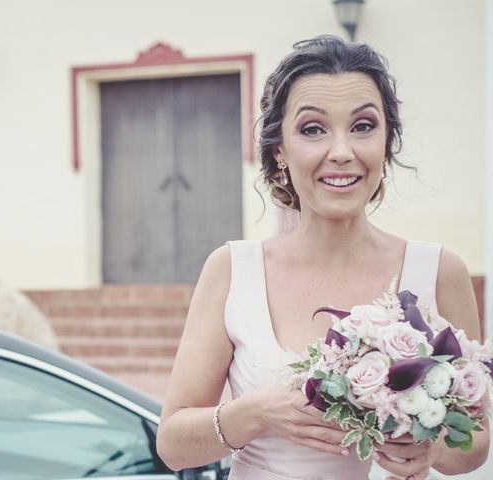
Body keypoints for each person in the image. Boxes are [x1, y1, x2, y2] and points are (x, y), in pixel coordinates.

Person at [156, 35, 489, 480]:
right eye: (313, 129)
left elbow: (475, 444)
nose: (341, 152)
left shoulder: (440, 272)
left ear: (387, 142)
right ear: (280, 150)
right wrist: (255, 413)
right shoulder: (233, 270)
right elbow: (173, 446)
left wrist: (429, 450)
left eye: (363, 126)